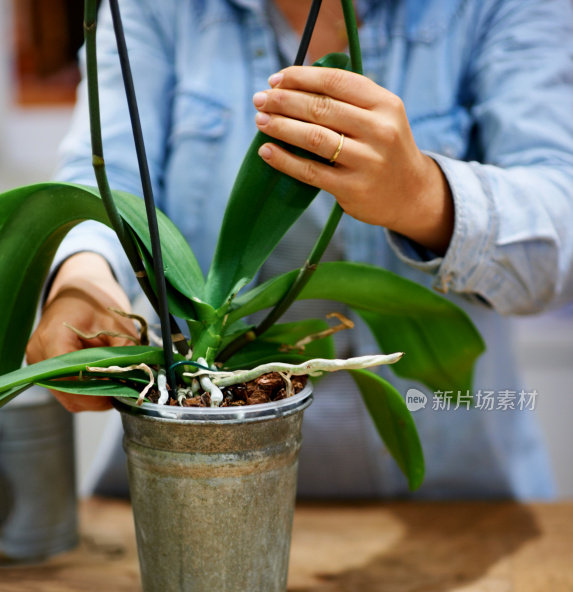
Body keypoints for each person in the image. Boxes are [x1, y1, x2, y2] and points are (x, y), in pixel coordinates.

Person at [26, 0, 573, 499]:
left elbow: (559, 239)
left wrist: (423, 196)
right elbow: (105, 176)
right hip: (184, 487)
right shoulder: (158, 9)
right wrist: (82, 280)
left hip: (453, 502)